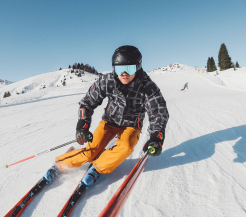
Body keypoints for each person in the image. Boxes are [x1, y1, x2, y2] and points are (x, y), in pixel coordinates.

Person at [53, 45, 169, 189]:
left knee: (126, 147)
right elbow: (87, 102)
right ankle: (60, 162)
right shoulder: (107, 80)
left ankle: (98, 167)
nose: (124, 74)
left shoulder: (147, 87)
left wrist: (156, 137)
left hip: (132, 124)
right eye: (120, 69)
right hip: (109, 121)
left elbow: (158, 112)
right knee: (91, 151)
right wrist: (83, 124)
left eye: (130, 68)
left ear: (138, 67)